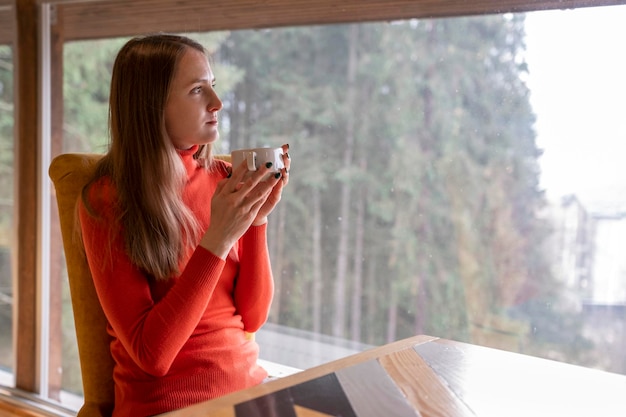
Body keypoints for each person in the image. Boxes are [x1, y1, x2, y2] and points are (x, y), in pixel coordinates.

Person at [78, 34, 290, 416]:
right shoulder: (108, 200)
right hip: (169, 406)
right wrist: (218, 239)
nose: (217, 103)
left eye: (213, 85)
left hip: (248, 395)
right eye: (197, 89)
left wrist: (257, 221)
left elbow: (253, 317)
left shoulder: (222, 179)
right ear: (151, 105)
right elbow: (152, 356)